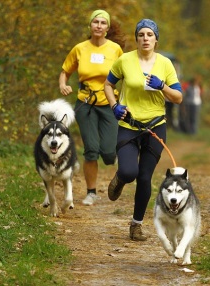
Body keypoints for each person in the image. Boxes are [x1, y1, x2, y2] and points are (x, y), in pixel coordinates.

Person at [104, 19, 183, 241]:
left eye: (150, 35)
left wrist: (162, 86)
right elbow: (108, 85)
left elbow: (178, 98)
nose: (145, 38)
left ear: (156, 39)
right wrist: (114, 106)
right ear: (137, 38)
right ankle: (120, 178)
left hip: (155, 127)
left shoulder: (166, 64)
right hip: (129, 125)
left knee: (145, 177)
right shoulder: (125, 60)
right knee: (130, 172)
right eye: (141, 35)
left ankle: (136, 225)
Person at [59, 9, 124, 206]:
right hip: (85, 104)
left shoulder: (115, 50)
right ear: (90, 26)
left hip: (109, 104)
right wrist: (63, 84)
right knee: (91, 150)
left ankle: (120, 165)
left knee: (109, 153)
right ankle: (91, 192)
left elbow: (127, 75)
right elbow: (65, 71)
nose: (98, 25)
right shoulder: (80, 49)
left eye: (103, 23)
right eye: (95, 22)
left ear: (107, 28)